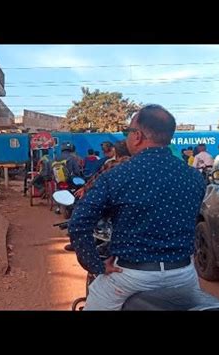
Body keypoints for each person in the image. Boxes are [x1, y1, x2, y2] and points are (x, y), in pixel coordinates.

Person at [68, 104, 206, 310]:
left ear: (138, 136)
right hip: (183, 275)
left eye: (128, 131)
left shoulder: (117, 175)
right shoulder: (195, 177)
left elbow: (79, 224)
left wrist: (95, 264)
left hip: (131, 277)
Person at [64, 140, 131, 252]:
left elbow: (97, 179)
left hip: (110, 201)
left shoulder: (111, 164)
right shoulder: (139, 166)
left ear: (116, 152)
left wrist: (85, 189)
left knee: (82, 215)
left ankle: (79, 242)